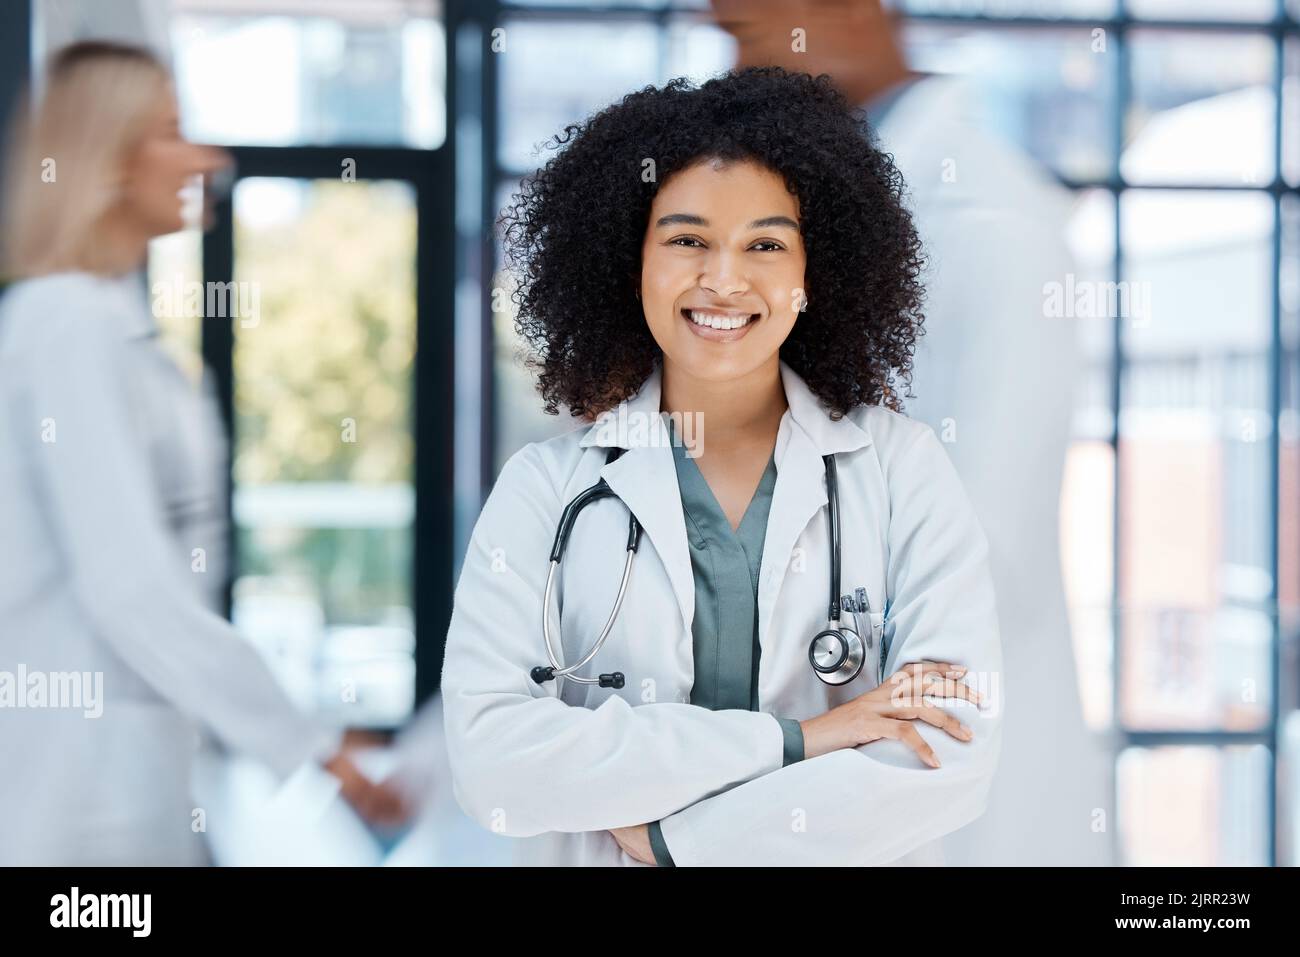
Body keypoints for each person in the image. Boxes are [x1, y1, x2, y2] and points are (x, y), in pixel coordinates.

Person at [440, 67, 1002, 866]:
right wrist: (800, 739)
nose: (724, 279)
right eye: (687, 239)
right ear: (628, 259)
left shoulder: (901, 471)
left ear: (816, 272)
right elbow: (492, 763)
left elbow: (950, 745)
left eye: (766, 243)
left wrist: (678, 840)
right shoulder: (545, 490)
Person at [714, 0, 1114, 866]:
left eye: (746, 37)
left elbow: (981, 551)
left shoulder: (990, 222)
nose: (738, 72)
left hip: (966, 806)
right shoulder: (826, 218)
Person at [0, 41, 401, 865]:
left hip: (140, 789)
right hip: (77, 805)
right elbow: (131, 586)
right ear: (106, 160)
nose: (206, 159)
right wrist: (311, 746)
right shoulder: (67, 327)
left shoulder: (114, 328)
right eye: (172, 132)